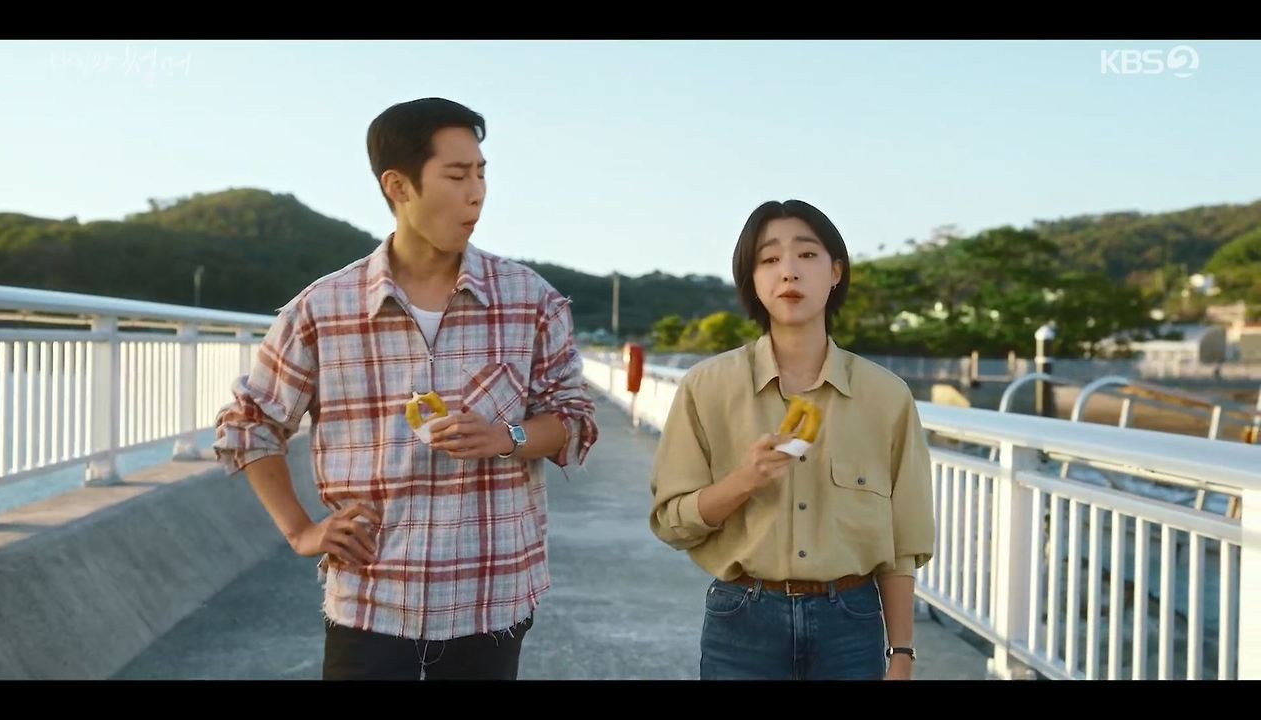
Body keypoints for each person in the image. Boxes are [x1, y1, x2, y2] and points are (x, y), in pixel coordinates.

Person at [213, 97, 598, 681]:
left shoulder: (529, 300)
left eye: (481, 173)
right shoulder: (324, 309)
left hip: (490, 595)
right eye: (457, 175)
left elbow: (574, 420)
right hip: (371, 596)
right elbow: (249, 424)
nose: (477, 193)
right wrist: (300, 531)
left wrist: (506, 436)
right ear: (398, 186)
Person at [649, 199, 935, 680]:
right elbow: (672, 523)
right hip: (743, 617)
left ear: (835, 271)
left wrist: (901, 652)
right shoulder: (706, 388)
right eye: (769, 259)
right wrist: (745, 480)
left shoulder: (886, 397)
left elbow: (903, 541)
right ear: (752, 279)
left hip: (851, 622)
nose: (788, 272)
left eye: (806, 254)